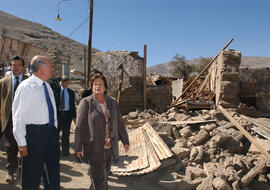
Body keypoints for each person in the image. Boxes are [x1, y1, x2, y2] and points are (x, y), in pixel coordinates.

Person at [75, 73, 129, 190]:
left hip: (109, 147)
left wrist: (125, 140)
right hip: (94, 147)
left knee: (103, 176)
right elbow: (79, 127)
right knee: (99, 180)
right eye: (95, 84)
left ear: (105, 87)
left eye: (100, 84)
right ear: (91, 86)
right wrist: (78, 147)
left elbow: (119, 122)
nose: (97, 86)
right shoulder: (86, 102)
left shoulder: (112, 102)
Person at [12, 55, 60, 190]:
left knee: (53, 175)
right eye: (50, 66)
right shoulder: (26, 87)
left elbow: (52, 111)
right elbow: (18, 116)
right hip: (34, 135)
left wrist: (54, 131)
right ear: (40, 68)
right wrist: (21, 142)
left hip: (50, 134)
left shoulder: (48, 86)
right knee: (31, 177)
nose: (52, 69)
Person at [0, 56, 28, 183]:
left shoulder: (30, 82)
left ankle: (24, 170)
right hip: (10, 121)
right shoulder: (3, 82)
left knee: (26, 147)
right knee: (11, 148)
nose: (16, 67)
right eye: (13, 65)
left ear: (23, 67)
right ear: (10, 66)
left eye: (18, 64)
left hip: (26, 121)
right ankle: (11, 171)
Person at [54, 75, 76, 157]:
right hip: (58, 115)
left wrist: (74, 117)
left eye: (68, 82)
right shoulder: (55, 91)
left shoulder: (71, 92)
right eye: (65, 82)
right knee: (56, 134)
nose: (66, 83)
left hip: (67, 115)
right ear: (61, 82)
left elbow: (72, 105)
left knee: (66, 134)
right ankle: (56, 151)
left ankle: (65, 151)